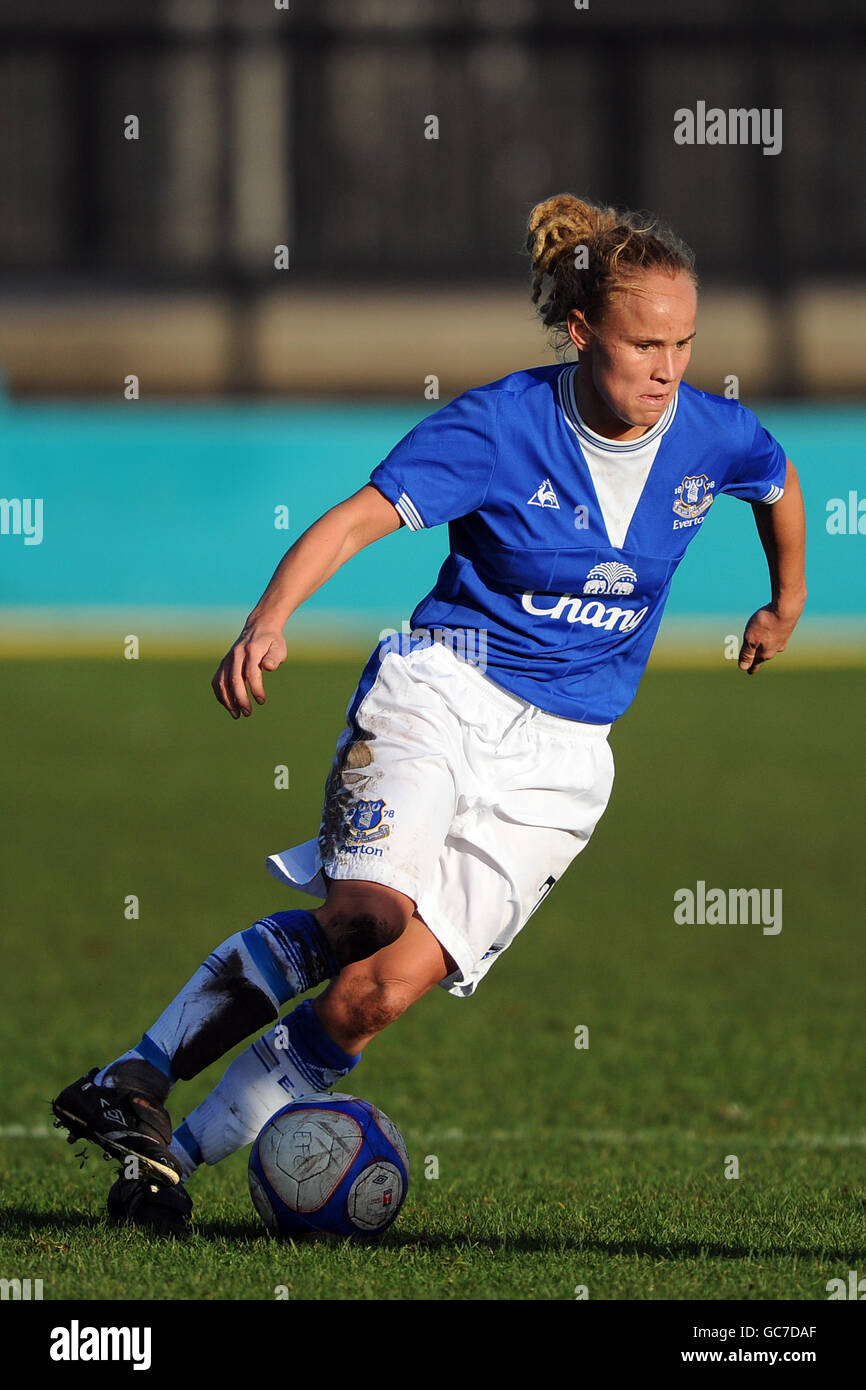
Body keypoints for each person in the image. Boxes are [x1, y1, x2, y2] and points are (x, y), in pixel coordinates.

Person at [52, 194, 806, 1235]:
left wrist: (785, 598)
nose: (666, 369)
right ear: (582, 329)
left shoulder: (708, 434)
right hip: (441, 692)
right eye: (642, 344)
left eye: (682, 344)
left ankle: (164, 1166)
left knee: (373, 996)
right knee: (366, 915)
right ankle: (135, 1069)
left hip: (566, 758)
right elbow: (358, 517)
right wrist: (270, 616)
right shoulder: (498, 425)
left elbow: (772, 475)